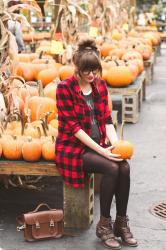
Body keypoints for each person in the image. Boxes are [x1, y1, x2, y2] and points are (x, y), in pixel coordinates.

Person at [55, 38, 138, 249]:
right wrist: (103, 151)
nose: (91, 75)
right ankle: (104, 225)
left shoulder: (100, 86)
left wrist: (117, 146)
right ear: (77, 68)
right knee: (111, 167)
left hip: (99, 143)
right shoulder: (64, 88)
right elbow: (75, 129)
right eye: (87, 71)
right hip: (73, 148)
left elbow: (107, 121)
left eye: (95, 70)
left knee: (124, 166)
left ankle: (121, 223)